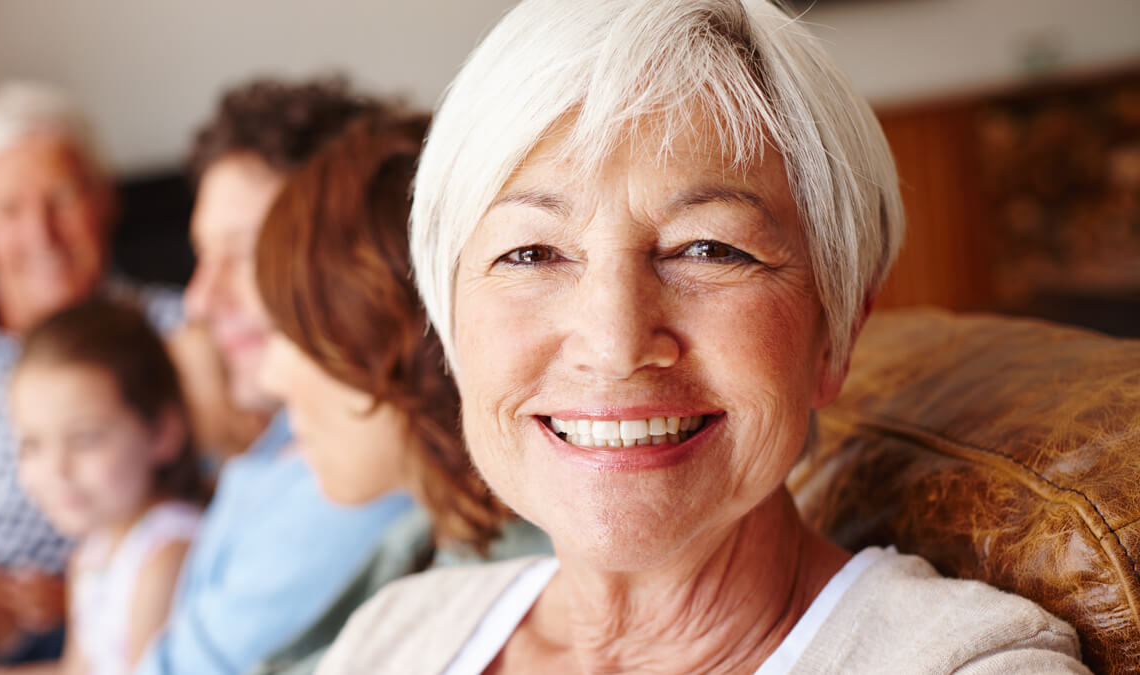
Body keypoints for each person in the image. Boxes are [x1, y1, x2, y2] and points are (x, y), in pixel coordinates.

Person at [320, 1, 1090, 673]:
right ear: (453, 324)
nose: (616, 343)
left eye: (708, 249)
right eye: (532, 252)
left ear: (837, 332)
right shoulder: (397, 633)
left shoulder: (966, 663)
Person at [248, 115, 551, 675]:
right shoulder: (424, 541)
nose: (268, 377)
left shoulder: (521, 604)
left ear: (398, 339)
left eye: (293, 334)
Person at [134, 78, 413, 675]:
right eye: (202, 256)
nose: (198, 300)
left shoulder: (351, 476)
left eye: (245, 254)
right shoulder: (275, 435)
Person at [0, 81, 182, 667]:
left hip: (67, 621)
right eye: (9, 211)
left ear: (105, 198)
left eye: (62, 197)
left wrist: (73, 597)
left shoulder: (172, 332)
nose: (40, 234)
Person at [0, 297, 203, 675]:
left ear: (162, 432)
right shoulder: (93, 552)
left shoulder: (166, 554)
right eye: (32, 444)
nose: (56, 469)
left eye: (85, 439)